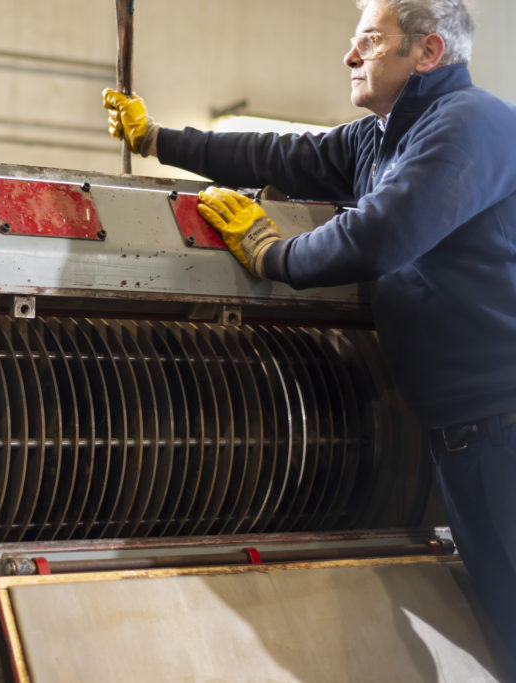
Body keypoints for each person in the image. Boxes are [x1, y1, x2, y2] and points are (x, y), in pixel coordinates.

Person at [104, 0, 516, 658]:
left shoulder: (473, 124)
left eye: (371, 42)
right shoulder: (381, 137)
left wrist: (275, 255)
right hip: (460, 437)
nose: (350, 57)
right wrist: (159, 139)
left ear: (428, 53)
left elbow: (382, 233)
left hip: (503, 428)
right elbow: (281, 154)